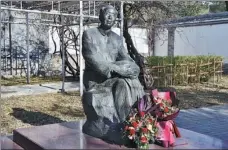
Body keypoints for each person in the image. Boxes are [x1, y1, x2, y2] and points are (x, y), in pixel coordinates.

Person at [82, 5, 144, 141]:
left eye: (113, 15)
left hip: (114, 78)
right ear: (100, 16)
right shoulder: (89, 34)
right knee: (122, 82)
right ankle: (127, 124)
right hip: (97, 82)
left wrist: (132, 69)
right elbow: (95, 62)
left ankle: (136, 121)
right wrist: (117, 68)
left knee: (132, 80)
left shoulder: (117, 39)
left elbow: (128, 60)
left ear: (116, 19)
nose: (110, 17)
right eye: (107, 14)